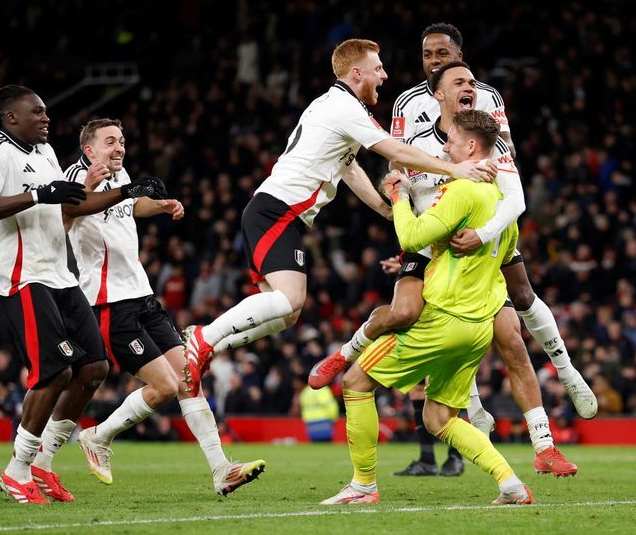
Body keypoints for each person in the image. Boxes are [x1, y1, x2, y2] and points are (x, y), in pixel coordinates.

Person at [183, 39, 496, 396]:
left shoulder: (333, 107)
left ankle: (210, 349)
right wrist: (455, 170)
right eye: (378, 69)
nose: (384, 75)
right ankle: (203, 337)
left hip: (277, 211)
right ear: (356, 72)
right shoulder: (345, 108)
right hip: (277, 209)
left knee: (285, 315)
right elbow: (394, 150)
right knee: (289, 300)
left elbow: (349, 169)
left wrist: (386, 208)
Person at [312, 63, 579, 477]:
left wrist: (485, 232)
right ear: (435, 94)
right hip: (425, 238)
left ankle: (544, 443)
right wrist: (398, 203)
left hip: (472, 243)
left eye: (471, 82)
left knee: (511, 338)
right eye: (460, 82)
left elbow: (516, 199)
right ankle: (345, 353)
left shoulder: (489, 147)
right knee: (403, 313)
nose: (470, 88)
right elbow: (396, 180)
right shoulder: (419, 141)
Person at [0, 85, 168, 504]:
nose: (45, 118)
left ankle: (42, 464)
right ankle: (17, 469)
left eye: (45, 112)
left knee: (94, 367)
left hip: (61, 275)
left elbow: (72, 206)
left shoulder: (45, 155)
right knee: (54, 370)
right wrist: (40, 194)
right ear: (11, 118)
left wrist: (128, 192)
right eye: (36, 112)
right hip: (24, 277)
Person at [321, 110, 531, 506]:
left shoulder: (462, 192)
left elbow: (411, 234)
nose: (445, 147)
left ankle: (363, 485)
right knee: (438, 418)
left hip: (442, 319)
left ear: (471, 146)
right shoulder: (503, 204)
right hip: (477, 328)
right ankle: (510, 484)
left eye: (450, 139)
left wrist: (399, 197)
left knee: (355, 383)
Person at [64, 118, 265, 496]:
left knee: (188, 377)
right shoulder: (76, 179)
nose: (119, 147)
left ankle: (222, 469)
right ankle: (97, 436)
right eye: (110, 141)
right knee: (165, 386)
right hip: (110, 303)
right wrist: (102, 191)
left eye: (122, 140)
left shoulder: (117, 182)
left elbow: (128, 207)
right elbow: (67, 214)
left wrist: (158, 205)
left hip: (142, 296)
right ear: (89, 149)